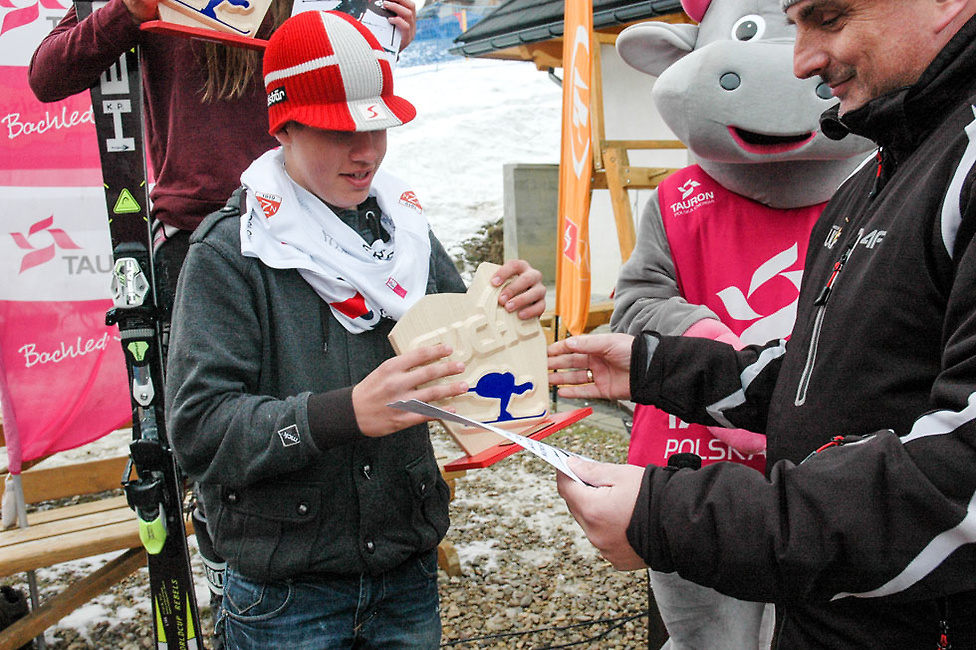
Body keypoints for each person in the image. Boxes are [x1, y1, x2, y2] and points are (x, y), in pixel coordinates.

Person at [548, 0, 976, 647]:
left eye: (829, 17)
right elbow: (819, 372)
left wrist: (678, 518)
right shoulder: (876, 174)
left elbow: (958, 477)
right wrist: (654, 365)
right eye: (794, 22)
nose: (801, 60)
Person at [27, 0, 416, 634]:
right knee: (228, 440)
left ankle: (370, 589)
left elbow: (349, 99)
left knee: (348, 412)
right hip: (206, 234)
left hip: (321, 219)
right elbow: (47, 73)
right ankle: (249, 594)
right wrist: (127, 11)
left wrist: (378, 41)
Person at [165, 10, 545, 648]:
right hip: (285, 594)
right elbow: (200, 432)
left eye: (377, 125)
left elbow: (467, 355)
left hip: (406, 572)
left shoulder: (405, 229)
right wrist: (342, 414)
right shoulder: (231, 252)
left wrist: (509, 308)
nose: (365, 151)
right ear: (283, 126)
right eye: (339, 131)